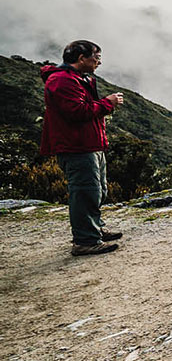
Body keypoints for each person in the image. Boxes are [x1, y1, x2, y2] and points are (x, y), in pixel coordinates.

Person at [39, 40, 124, 256]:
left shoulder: (78, 78)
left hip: (89, 143)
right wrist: (108, 103)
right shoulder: (61, 81)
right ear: (81, 58)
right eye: (96, 57)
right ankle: (85, 240)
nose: (99, 62)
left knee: (97, 190)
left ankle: (93, 229)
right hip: (76, 146)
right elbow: (77, 112)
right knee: (85, 191)